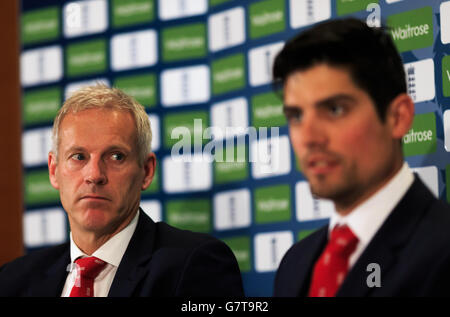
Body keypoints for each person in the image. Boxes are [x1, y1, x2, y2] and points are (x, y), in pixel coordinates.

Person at [0, 84, 244, 297]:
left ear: (146, 171)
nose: (94, 175)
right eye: (78, 156)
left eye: (116, 156)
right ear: (54, 170)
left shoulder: (193, 265)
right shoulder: (13, 280)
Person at [272, 18, 450, 297]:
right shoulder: (294, 264)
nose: (308, 136)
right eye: (296, 116)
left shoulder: (442, 251)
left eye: (334, 110)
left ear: (398, 117)